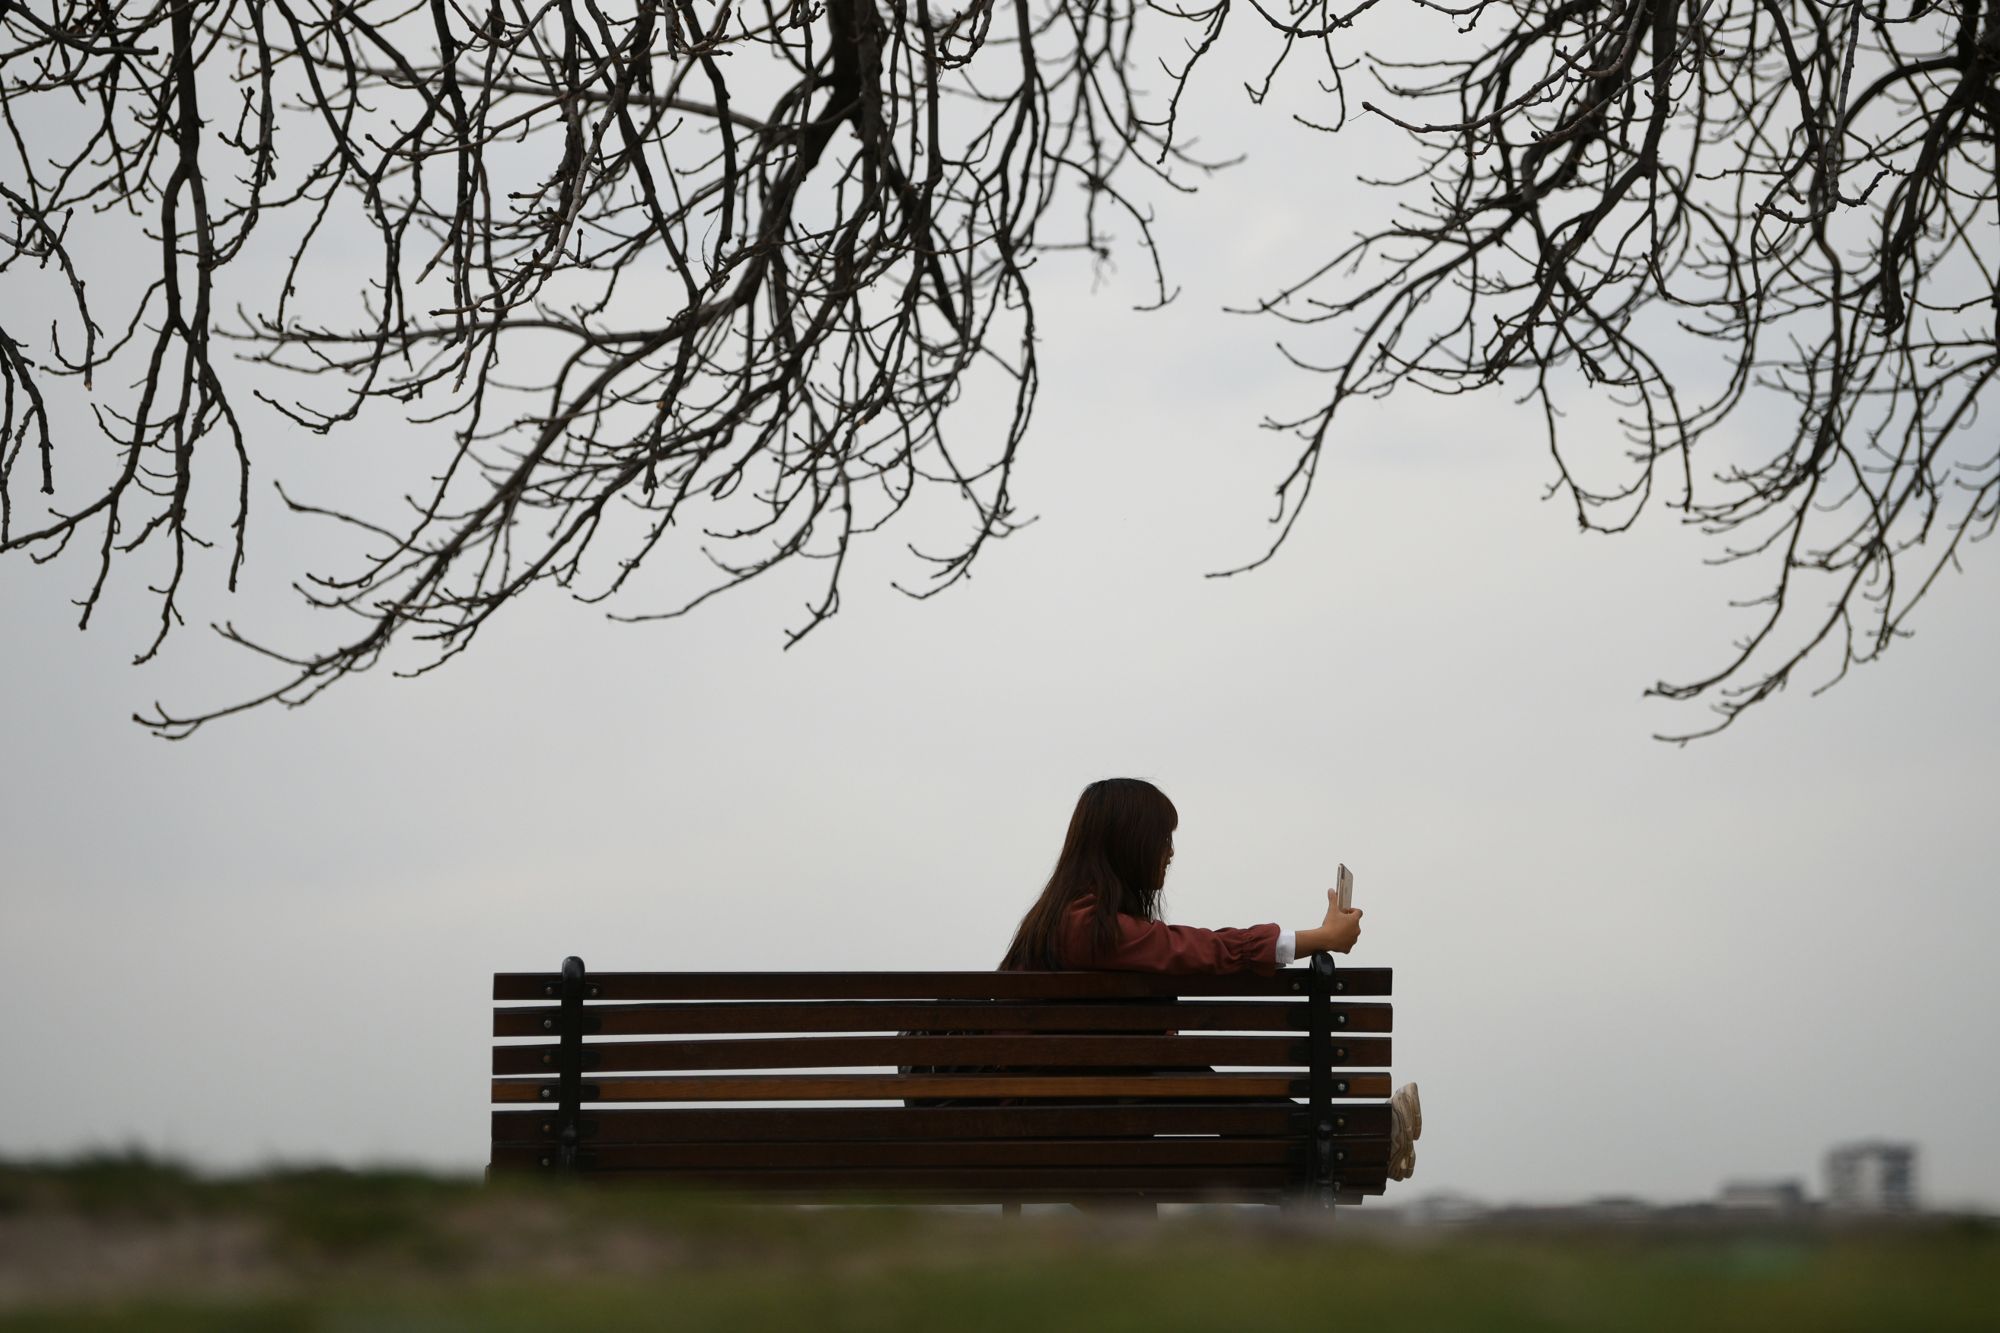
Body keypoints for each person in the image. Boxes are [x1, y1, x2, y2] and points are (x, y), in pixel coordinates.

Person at [1000, 777, 1422, 1181]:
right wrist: (1317, 939)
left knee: (1174, 1067)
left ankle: (1365, 1140)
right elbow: (1192, 949)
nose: (1169, 852)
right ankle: (1364, 1141)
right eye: (1162, 838)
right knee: (1177, 1071)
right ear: (1130, 844)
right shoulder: (1086, 927)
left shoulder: (1067, 921)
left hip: (1063, 1108)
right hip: (1057, 1118)